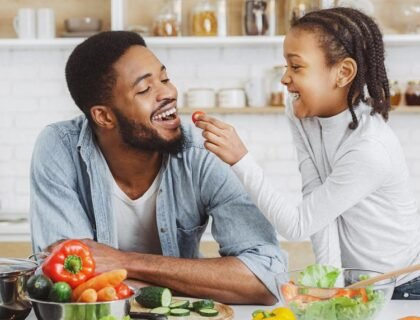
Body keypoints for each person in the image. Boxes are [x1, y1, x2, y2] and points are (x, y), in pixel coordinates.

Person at [29, 31, 287, 305]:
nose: (169, 93)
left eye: (164, 79)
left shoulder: (204, 152)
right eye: (144, 89)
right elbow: (68, 285)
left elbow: (266, 280)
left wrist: (124, 262)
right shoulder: (59, 148)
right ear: (104, 116)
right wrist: (197, 282)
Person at [195, 7, 420, 299]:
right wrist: (331, 287)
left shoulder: (369, 149)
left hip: (402, 286)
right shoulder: (302, 112)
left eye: (296, 67)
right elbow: (317, 206)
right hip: (357, 287)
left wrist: (241, 159)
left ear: (343, 73)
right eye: (285, 65)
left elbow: (297, 226)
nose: (285, 79)